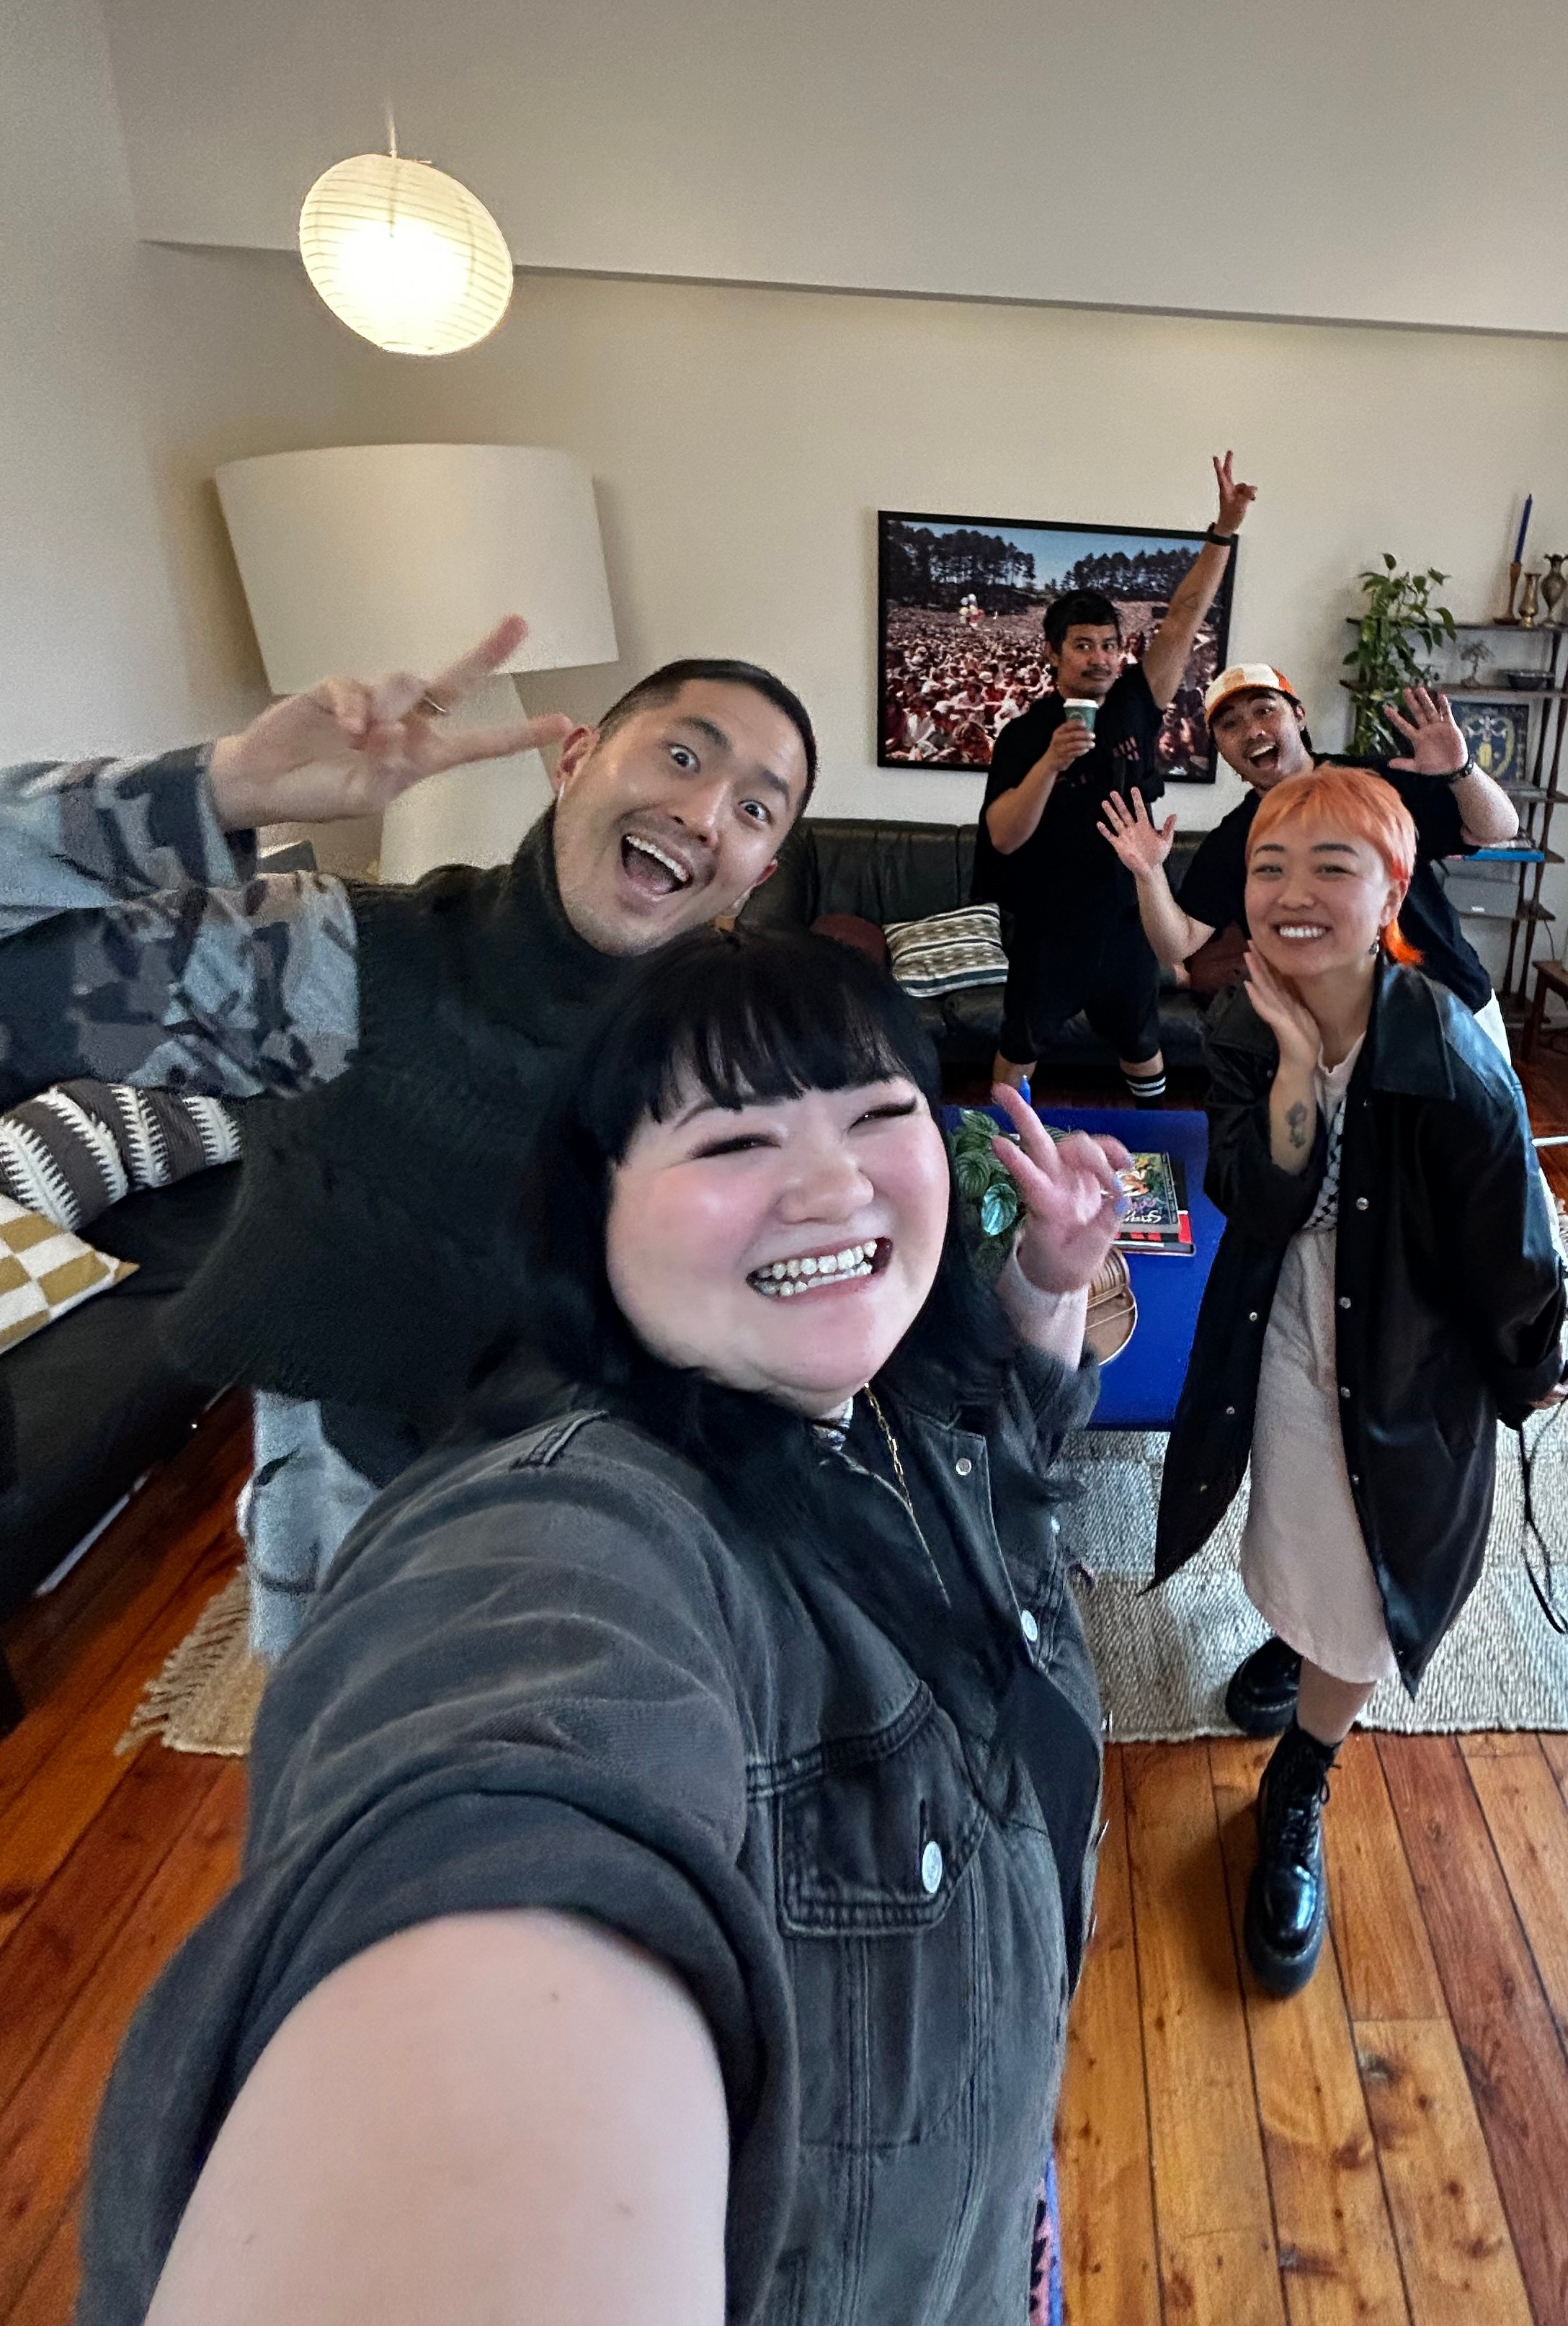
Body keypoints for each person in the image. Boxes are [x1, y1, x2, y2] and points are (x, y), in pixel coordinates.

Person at [76, 929, 1126, 2326]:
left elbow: (1007, 1491)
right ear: (593, 1214)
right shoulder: (564, 1540)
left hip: (990, 2235)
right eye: (731, 1141)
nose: (834, 1181)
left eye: (880, 1114)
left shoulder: (894, 1397)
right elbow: (514, 1783)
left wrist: (1049, 1293)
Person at [0, 616, 819, 1647]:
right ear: (575, 759)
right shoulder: (331, 967)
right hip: (364, 1541)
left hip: (629, 1548)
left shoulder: (730, 1051)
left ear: (757, 869)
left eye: (752, 808)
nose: (704, 812)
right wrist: (219, 790)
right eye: (683, 753)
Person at [1151, 767, 1568, 1997]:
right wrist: (1288, 1065)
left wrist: (1526, 1370)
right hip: (1283, 1325)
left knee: (1362, 1561)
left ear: (1391, 889)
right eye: (1267, 868)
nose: (1289, 895)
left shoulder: (1446, 1052)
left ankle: (1299, 1780)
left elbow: (1513, 1244)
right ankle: (1299, 1641)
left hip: (1405, 1353)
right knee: (1293, 1527)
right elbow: (1259, 1196)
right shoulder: (1238, 1021)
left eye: (1331, 867)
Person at [1099, 660, 1568, 1311]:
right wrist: (1147, 874)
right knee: (1385, 1161)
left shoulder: (1379, 781)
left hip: (1447, 1003)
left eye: (1263, 710)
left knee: (1497, 1141)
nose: (1251, 730)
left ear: (1297, 715)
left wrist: (1460, 772)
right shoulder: (1239, 834)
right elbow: (1182, 946)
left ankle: (1541, 1273)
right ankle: (1404, 1279)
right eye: (1230, 723)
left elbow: (1494, 830)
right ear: (1220, 747)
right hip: (1345, 1025)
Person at [975, 452, 1255, 1105]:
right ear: (1053, 652)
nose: (1100, 657)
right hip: (1049, 924)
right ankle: (999, 1156)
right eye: (1082, 645)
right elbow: (1005, 839)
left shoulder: (1137, 700)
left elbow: (1185, 614)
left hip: (1129, 918)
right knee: (1019, 1046)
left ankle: (1152, 1151)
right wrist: (1050, 762)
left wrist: (1224, 529)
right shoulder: (1023, 735)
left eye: (1108, 644)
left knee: (1140, 1040)